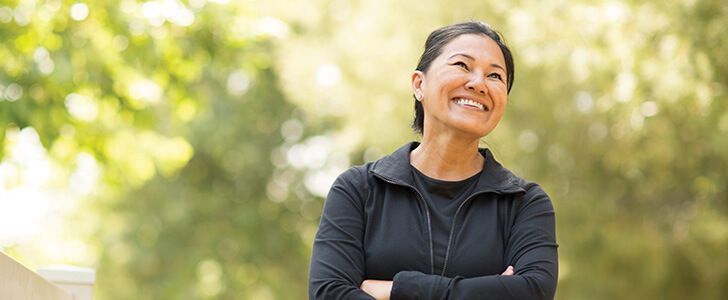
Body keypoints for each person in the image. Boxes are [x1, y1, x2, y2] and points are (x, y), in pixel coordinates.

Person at [308, 21, 558, 300]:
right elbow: (329, 294)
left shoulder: (524, 203)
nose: (478, 83)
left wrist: (395, 289)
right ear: (419, 85)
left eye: (495, 76)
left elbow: (532, 292)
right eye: (462, 65)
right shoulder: (358, 190)